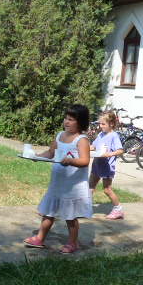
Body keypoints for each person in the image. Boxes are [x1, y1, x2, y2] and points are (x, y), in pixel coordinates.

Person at [24, 104, 92, 254]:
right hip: (57, 183)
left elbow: (85, 161)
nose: (66, 121)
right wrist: (37, 157)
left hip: (72, 186)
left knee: (70, 216)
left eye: (71, 119)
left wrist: (71, 161)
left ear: (80, 122)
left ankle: (73, 243)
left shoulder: (81, 140)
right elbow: (50, 153)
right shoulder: (60, 135)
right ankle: (39, 238)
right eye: (65, 118)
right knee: (49, 212)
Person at [89, 111, 125, 219]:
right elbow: (94, 146)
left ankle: (118, 210)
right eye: (100, 123)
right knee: (90, 187)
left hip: (107, 167)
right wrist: (82, 147)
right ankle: (85, 208)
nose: (100, 126)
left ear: (111, 124)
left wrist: (110, 154)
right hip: (97, 164)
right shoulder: (101, 134)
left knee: (107, 189)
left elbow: (120, 150)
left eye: (103, 124)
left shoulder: (114, 136)